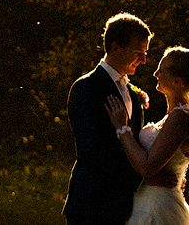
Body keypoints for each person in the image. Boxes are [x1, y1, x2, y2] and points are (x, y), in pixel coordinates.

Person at [104, 46, 189, 225]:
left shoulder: (181, 117)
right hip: (149, 203)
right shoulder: (174, 116)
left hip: (160, 209)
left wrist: (122, 128)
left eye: (161, 70)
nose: (155, 73)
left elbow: (147, 167)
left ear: (177, 82)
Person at [64, 13, 153, 225]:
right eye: (138, 53)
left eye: (145, 53)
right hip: (92, 204)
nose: (143, 60)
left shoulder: (132, 92)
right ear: (115, 48)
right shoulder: (86, 87)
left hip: (126, 205)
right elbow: (92, 151)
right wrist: (145, 176)